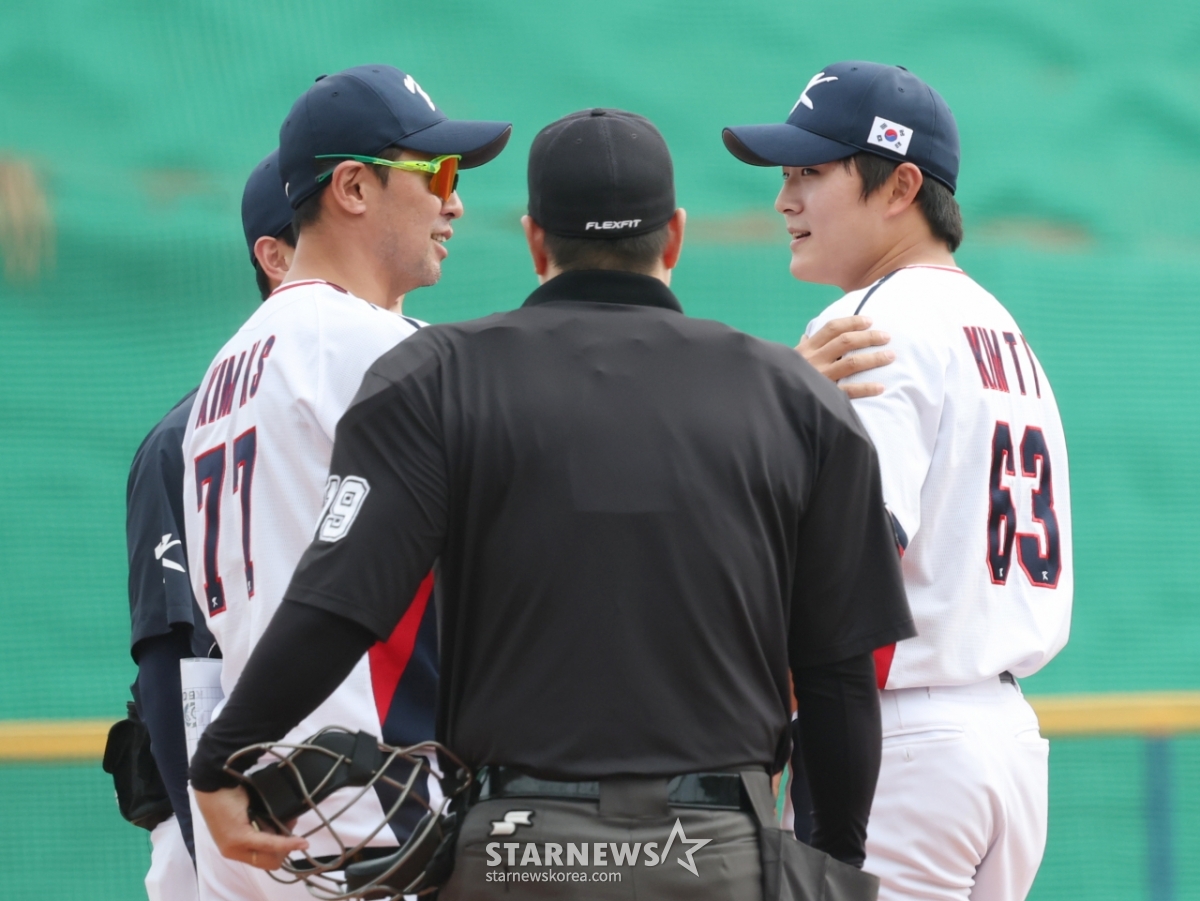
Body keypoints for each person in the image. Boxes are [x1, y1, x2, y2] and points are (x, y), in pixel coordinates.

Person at [189, 107, 914, 901]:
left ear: (536, 242)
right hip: (717, 854)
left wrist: (224, 754)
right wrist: (836, 864)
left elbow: (341, 602)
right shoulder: (798, 398)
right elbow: (839, 676)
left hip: (520, 853)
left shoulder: (434, 375)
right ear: (674, 237)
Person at [723, 61, 1074, 900]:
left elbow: (850, 560)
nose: (785, 200)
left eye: (811, 172)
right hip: (1005, 746)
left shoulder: (869, 323)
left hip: (900, 746)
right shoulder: (1001, 328)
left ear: (901, 186)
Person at [180, 65, 510, 901]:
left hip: (274, 796)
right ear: (354, 187)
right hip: (380, 804)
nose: (454, 202)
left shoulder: (225, 368)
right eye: (436, 173)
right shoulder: (365, 344)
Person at [121, 149, 296, 901]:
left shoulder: (405, 392)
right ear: (276, 257)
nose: (449, 205)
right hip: (235, 815)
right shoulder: (185, 438)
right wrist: (219, 866)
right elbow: (172, 667)